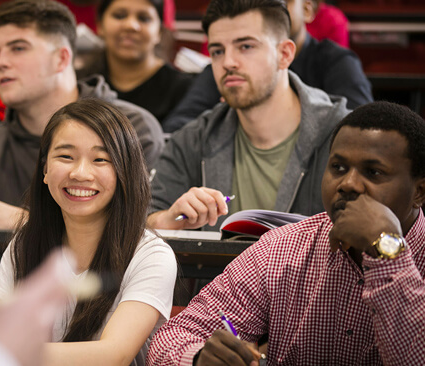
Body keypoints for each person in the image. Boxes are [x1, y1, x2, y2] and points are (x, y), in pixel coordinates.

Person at [147, 100, 425, 365]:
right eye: (338, 167)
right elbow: (172, 338)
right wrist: (199, 358)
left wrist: (387, 250)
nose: (348, 184)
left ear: (419, 192)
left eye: (373, 172)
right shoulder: (282, 249)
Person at [0, 99, 177, 366]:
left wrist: (2, 348)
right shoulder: (26, 243)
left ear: (124, 172)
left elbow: (113, 355)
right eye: (65, 156)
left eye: (100, 159)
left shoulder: (152, 256)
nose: (80, 172)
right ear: (46, 169)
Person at [0, 0, 164, 229]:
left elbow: (142, 225)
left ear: (61, 58)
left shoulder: (133, 127)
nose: (0, 63)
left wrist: (27, 222)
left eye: (18, 48)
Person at [147, 0, 350, 231]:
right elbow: (142, 222)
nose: (228, 63)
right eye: (217, 51)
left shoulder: (343, 137)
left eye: (246, 47)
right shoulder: (191, 140)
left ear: (284, 54)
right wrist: (168, 220)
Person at [161, 0, 370, 133]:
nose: (262, 5)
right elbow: (177, 129)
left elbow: (360, 131)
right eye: (218, 51)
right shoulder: (225, 67)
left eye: (246, 46)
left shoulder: (337, 61)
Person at [76, 0, 193, 123]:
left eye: (144, 18)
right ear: (100, 25)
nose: (131, 25)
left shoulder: (184, 90)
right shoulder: (79, 83)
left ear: (159, 32)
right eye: (119, 16)